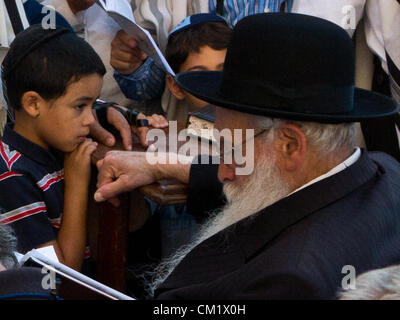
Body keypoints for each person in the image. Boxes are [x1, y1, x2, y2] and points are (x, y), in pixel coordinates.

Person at [95, 13, 400, 299]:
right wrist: (166, 165)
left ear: (291, 145)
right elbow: (275, 186)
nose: (223, 171)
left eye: (230, 149)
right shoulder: (385, 175)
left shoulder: (287, 281)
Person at [0, 25, 168, 271]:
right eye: (80, 106)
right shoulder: (12, 175)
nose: (91, 120)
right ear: (33, 104)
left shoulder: (57, 142)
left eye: (94, 104)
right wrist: (78, 184)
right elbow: (57, 275)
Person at [111, 0, 292, 119]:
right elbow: (149, 80)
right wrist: (133, 63)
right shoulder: (172, 141)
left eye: (223, 71)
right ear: (174, 85)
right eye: (200, 75)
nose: (213, 87)